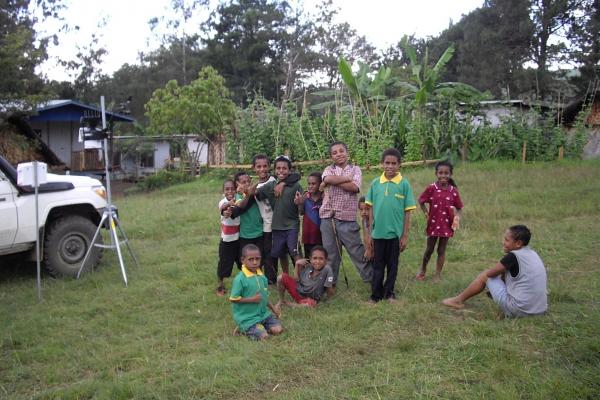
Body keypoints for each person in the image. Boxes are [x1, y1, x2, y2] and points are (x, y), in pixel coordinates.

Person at [442, 225, 548, 318]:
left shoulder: (512, 257)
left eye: (507, 240)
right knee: (505, 276)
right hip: (540, 310)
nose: (503, 242)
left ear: (518, 243)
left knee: (485, 275)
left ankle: (457, 300)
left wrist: (502, 271)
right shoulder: (532, 253)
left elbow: (490, 274)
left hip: (519, 311)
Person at [365, 148, 416, 303]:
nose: (390, 166)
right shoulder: (375, 183)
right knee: (378, 265)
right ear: (382, 164)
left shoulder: (404, 184)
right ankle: (375, 296)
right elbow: (370, 208)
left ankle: (389, 293)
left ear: (399, 165)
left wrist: (405, 235)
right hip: (378, 234)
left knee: (392, 266)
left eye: (394, 163)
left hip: (395, 235)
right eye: (387, 163)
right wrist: (371, 232)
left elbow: (408, 212)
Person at [319, 141, 373, 285]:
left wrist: (334, 182)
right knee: (331, 254)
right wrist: (344, 179)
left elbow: (354, 187)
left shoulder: (355, 169)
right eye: (334, 153)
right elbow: (327, 178)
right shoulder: (328, 169)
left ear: (347, 153)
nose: (339, 154)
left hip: (347, 219)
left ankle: (372, 279)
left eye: (341, 151)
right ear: (331, 157)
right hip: (328, 218)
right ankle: (330, 284)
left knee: (357, 251)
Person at [250, 154, 300, 283]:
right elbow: (257, 194)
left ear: (289, 170)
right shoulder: (271, 184)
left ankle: (300, 277)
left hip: (292, 225)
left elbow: (297, 178)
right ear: (275, 170)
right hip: (276, 226)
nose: (281, 171)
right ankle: (285, 276)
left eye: (284, 168)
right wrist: (247, 190)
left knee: (294, 251)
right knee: (280, 253)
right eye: (278, 168)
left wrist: (283, 183)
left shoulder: (295, 184)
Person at [416, 160, 464, 281]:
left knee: (441, 250)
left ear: (450, 174)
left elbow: (459, 208)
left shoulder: (453, 191)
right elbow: (421, 201)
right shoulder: (432, 188)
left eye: (446, 173)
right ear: (436, 174)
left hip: (447, 226)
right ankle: (423, 269)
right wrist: (426, 214)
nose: (443, 175)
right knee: (429, 249)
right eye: (440, 173)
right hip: (433, 224)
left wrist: (457, 218)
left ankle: (437, 275)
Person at [229, 244, 283, 340]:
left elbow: (264, 297)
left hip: (264, 315)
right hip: (248, 318)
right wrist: (252, 299)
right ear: (243, 260)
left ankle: (260, 327)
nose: (255, 262)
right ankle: (244, 327)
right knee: (264, 337)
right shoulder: (240, 279)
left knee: (278, 330)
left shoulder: (262, 276)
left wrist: (274, 309)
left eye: (257, 259)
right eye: (251, 259)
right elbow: (234, 299)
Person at [274, 245, 335, 311]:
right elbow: (296, 280)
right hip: (299, 292)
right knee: (280, 277)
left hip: (310, 299)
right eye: (315, 258)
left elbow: (329, 291)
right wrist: (297, 265)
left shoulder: (327, 269)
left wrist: (329, 299)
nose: (317, 261)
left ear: (326, 260)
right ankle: (281, 300)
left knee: (310, 305)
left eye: (321, 258)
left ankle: (288, 304)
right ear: (310, 259)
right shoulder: (308, 267)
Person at [216, 179, 241, 296]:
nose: (230, 191)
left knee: (243, 263)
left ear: (236, 189)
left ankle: (247, 285)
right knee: (224, 264)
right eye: (227, 189)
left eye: (232, 188)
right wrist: (227, 208)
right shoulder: (222, 202)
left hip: (239, 239)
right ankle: (220, 286)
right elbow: (224, 210)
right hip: (227, 241)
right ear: (223, 191)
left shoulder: (239, 200)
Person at [297, 171, 323, 258]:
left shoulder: (324, 198)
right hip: (308, 234)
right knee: (309, 258)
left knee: (321, 256)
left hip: (321, 234)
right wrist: (300, 203)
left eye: (314, 184)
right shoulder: (305, 198)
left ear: (320, 184)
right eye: (309, 184)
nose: (310, 186)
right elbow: (301, 212)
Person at [358, 196, 373, 261]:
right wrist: (367, 248)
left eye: (367, 209)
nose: (364, 212)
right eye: (361, 209)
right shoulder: (363, 220)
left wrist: (370, 250)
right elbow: (365, 236)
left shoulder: (374, 221)